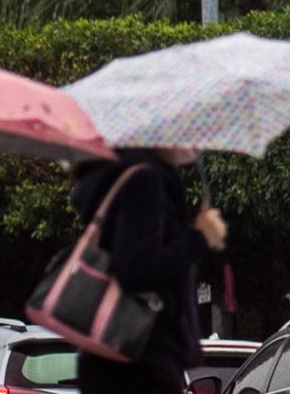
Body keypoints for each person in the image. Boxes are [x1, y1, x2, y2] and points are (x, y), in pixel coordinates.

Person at [70, 147, 227, 394]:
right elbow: (137, 268)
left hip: (116, 357)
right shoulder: (144, 180)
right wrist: (199, 237)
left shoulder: (119, 175)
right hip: (140, 360)